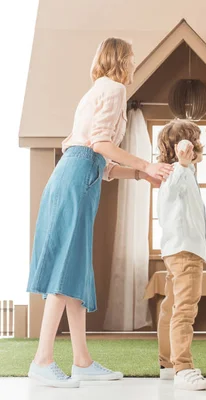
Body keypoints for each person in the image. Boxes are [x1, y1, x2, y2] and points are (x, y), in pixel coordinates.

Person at [26, 37, 173, 388]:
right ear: (122, 59)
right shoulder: (114, 90)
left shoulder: (96, 91)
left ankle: (82, 361)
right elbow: (100, 145)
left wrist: (139, 174)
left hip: (77, 177)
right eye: (132, 58)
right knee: (66, 266)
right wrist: (145, 164)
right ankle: (42, 361)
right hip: (77, 181)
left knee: (75, 268)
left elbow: (99, 161)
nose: (134, 64)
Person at [155, 120, 206, 391]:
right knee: (185, 310)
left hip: (177, 249)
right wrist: (184, 162)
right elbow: (174, 191)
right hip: (185, 250)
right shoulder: (179, 170)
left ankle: (168, 364)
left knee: (172, 307)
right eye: (197, 141)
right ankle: (183, 367)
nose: (200, 146)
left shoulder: (179, 171)